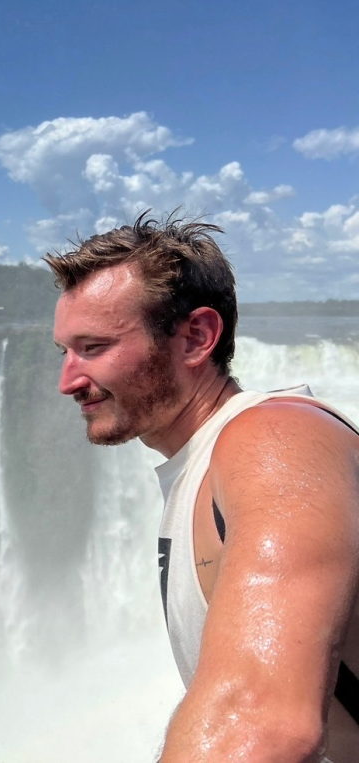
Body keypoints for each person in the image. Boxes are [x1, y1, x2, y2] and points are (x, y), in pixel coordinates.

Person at [46, 211, 359, 762]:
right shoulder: (205, 463)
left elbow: (258, 722)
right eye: (65, 351)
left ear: (196, 337)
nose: (67, 380)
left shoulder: (272, 439)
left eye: (93, 348)